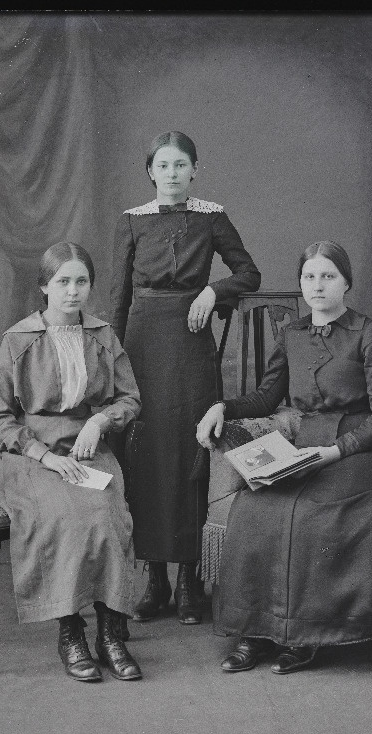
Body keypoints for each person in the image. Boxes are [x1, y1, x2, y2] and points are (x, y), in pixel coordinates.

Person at [196, 240, 372, 673]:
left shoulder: (370, 334)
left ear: (346, 282)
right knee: (256, 505)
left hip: (365, 451)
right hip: (306, 444)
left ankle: (304, 637)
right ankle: (256, 631)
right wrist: (222, 407)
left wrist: (336, 451)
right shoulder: (291, 334)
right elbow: (266, 397)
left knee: (315, 512)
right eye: (309, 276)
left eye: (328, 276)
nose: (318, 285)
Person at [110, 131, 261, 625]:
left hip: (192, 345)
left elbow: (249, 273)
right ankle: (155, 580)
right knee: (146, 453)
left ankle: (190, 581)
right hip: (142, 348)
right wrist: (112, 362)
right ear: (150, 172)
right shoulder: (132, 220)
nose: (172, 173)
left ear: (195, 169)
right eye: (163, 165)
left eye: (181, 165)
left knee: (193, 451)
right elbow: (117, 296)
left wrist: (213, 291)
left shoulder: (211, 216)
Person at [0, 242, 143, 682]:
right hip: (29, 454)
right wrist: (44, 457)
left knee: (107, 513)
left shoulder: (103, 336)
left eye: (81, 281)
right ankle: (70, 631)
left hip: (87, 448)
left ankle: (109, 634)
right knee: (63, 514)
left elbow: (129, 398)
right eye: (63, 282)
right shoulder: (19, 340)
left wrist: (100, 421)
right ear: (44, 286)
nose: (73, 291)